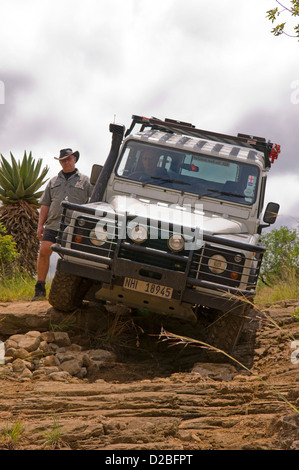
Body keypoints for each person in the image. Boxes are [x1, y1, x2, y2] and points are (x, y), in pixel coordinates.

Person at [32, 148, 93, 301]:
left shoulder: (86, 181)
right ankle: (39, 288)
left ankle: (76, 293)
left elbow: (95, 203)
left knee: (73, 258)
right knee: (44, 251)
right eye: (63, 160)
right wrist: (40, 225)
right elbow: (45, 204)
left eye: (68, 159)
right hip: (53, 224)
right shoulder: (53, 181)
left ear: (74, 159)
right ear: (60, 162)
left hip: (74, 227)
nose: (66, 162)